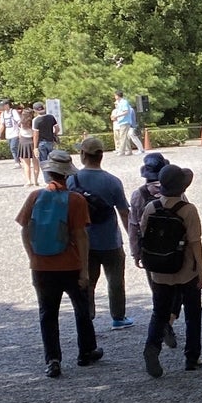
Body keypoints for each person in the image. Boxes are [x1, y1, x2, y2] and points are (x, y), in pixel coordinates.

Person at [15, 148, 97, 378]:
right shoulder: (76, 200)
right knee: (81, 309)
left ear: (49, 173)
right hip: (70, 264)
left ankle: (53, 359)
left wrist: (32, 256)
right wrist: (84, 270)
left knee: (48, 314)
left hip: (42, 266)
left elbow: (25, 228)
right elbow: (81, 236)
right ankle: (86, 351)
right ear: (68, 175)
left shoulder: (35, 197)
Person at [140, 163, 202, 376]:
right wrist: (201, 271)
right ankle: (191, 357)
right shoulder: (188, 210)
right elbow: (195, 242)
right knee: (193, 314)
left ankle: (152, 347)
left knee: (159, 313)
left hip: (159, 269)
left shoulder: (151, 208)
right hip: (185, 269)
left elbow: (143, 236)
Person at [71, 136, 133, 330]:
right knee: (115, 280)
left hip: (84, 240)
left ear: (83, 155)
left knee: (87, 280)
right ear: (101, 156)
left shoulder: (73, 180)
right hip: (110, 239)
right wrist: (132, 236)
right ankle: (118, 316)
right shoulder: (112, 181)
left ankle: (87, 315)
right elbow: (124, 212)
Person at [129, 151, 180, 351]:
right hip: (175, 251)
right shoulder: (176, 192)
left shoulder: (138, 195)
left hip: (151, 252)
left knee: (158, 292)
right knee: (177, 291)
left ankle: (156, 338)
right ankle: (170, 321)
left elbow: (133, 226)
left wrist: (136, 252)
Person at [111, 91, 139, 155]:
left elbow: (126, 112)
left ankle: (122, 151)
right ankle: (129, 151)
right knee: (125, 136)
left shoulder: (124, 102)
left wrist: (117, 116)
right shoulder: (120, 103)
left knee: (122, 136)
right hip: (122, 121)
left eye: (115, 95)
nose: (114, 97)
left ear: (118, 96)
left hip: (125, 121)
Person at [31, 102, 59, 166]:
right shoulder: (51, 117)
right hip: (50, 142)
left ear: (35, 110)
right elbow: (57, 128)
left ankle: (46, 176)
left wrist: (35, 147)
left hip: (41, 143)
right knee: (52, 162)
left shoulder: (36, 120)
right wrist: (54, 134)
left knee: (44, 163)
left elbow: (36, 135)